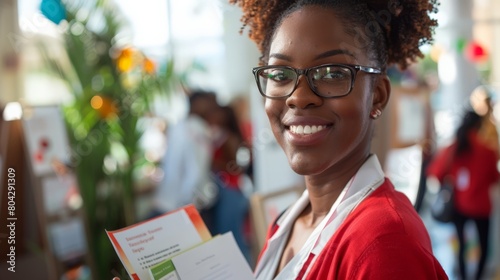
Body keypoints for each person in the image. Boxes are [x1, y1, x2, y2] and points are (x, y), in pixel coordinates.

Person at [229, 0, 447, 279]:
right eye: (281, 74)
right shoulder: (288, 222)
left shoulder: (383, 243)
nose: (298, 97)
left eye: (332, 73)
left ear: (377, 95)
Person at [427, 110, 499, 280]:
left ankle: (464, 276)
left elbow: (435, 172)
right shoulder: (488, 151)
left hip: (459, 205)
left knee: (461, 245)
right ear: (479, 126)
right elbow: (495, 178)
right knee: (483, 245)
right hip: (481, 206)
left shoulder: (454, 148)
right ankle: (478, 277)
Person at [151, 90, 219, 229]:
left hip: (167, 202)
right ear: (198, 104)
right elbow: (197, 171)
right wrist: (190, 204)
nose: (214, 108)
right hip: (189, 205)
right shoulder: (198, 129)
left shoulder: (178, 126)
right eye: (210, 103)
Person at [210, 104, 252, 263]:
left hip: (231, 191)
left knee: (232, 238)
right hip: (228, 191)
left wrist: (213, 163)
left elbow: (235, 166)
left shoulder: (229, 138)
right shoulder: (220, 135)